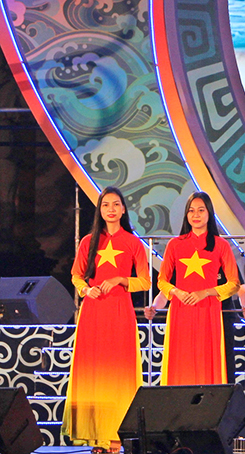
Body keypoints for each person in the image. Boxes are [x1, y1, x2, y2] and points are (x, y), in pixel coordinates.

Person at [63, 186, 150, 454]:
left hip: (120, 313)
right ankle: (97, 438)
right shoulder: (88, 242)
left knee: (119, 372)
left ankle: (115, 438)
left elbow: (145, 282)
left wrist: (121, 279)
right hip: (93, 313)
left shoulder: (133, 243)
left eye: (115, 204)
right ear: (100, 210)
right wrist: (85, 290)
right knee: (94, 371)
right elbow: (76, 275)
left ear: (123, 209)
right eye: (105, 205)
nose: (110, 209)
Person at [144, 191, 245, 385]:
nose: (195, 215)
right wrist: (177, 292)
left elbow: (234, 284)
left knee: (208, 361)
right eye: (191, 211)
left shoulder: (221, 245)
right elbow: (162, 281)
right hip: (180, 310)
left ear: (209, 213)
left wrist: (206, 292)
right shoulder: (175, 244)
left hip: (209, 310)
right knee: (181, 361)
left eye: (201, 210)